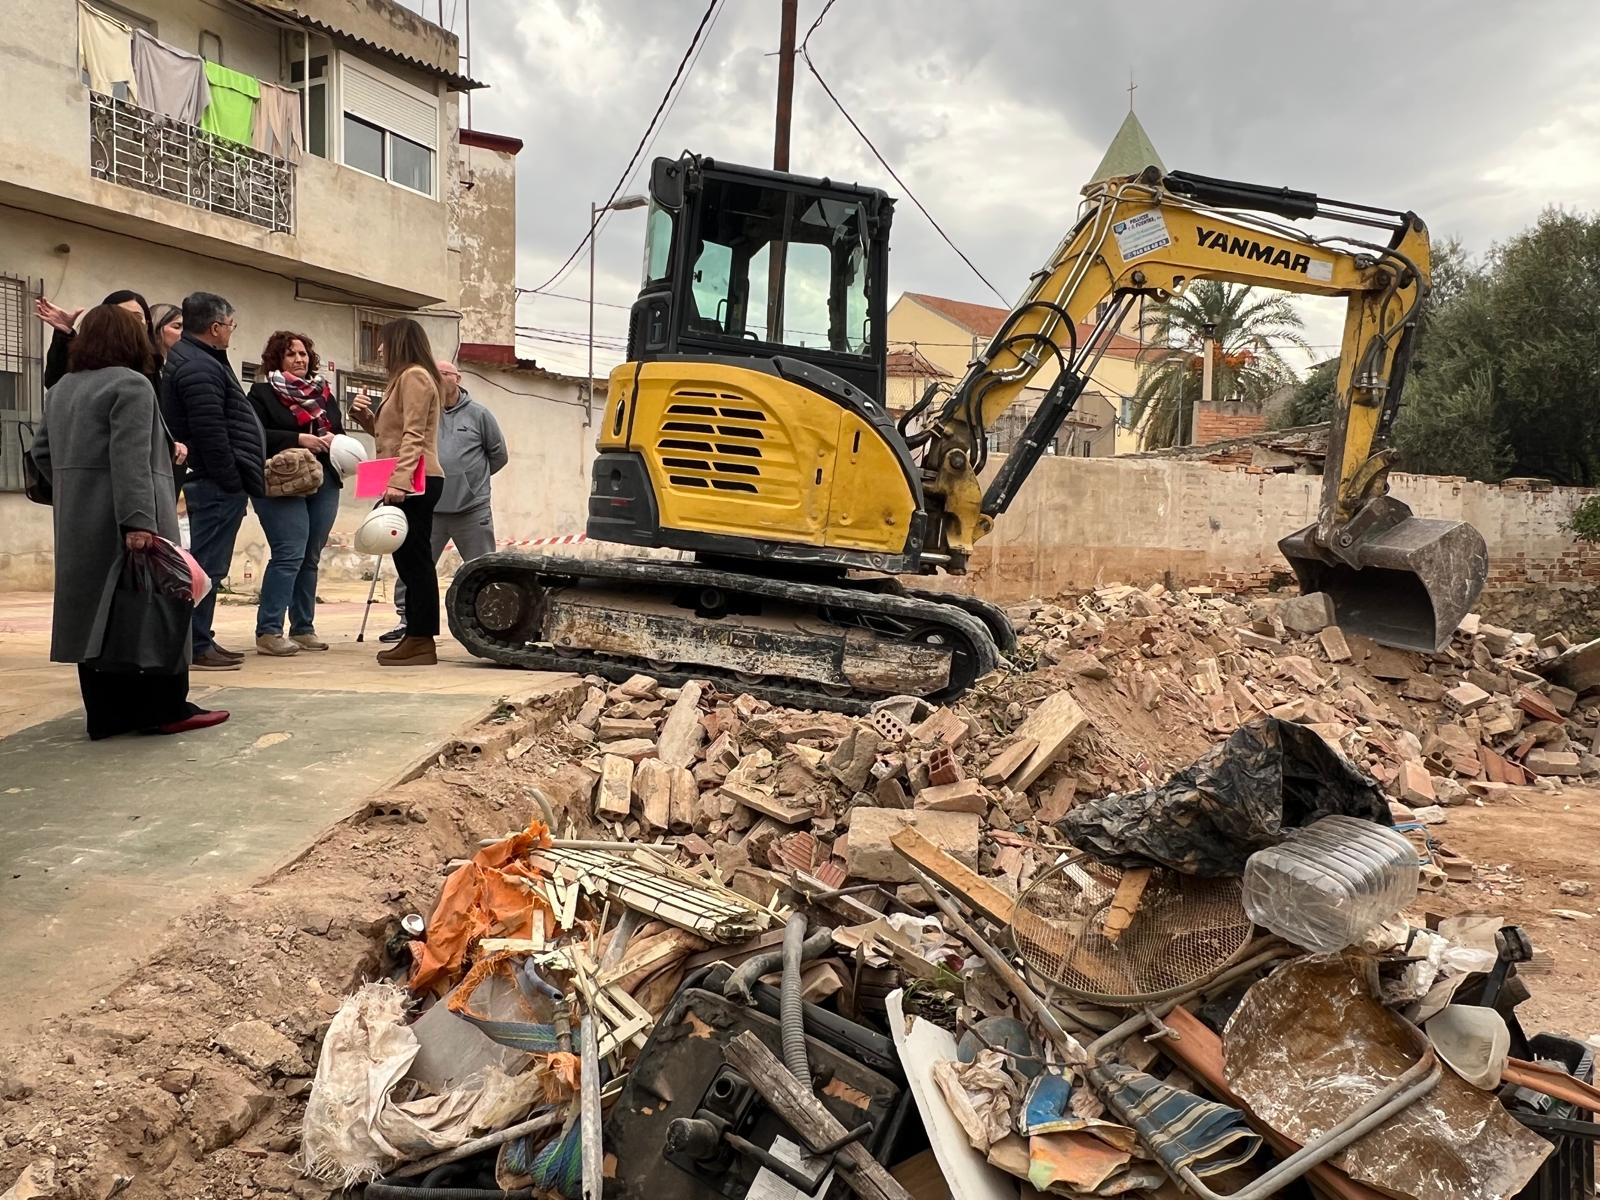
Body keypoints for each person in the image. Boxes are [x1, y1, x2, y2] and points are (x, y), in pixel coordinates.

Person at [29, 305, 228, 740]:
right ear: (131, 342)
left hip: (79, 523)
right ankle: (166, 709)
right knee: (154, 608)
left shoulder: (62, 389)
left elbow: (41, 454)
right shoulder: (132, 385)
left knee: (94, 619)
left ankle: (106, 716)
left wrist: (77, 490)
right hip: (133, 519)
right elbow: (132, 460)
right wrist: (139, 522)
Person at [162, 292, 265, 671]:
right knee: (205, 567)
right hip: (214, 483)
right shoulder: (198, 367)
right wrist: (231, 479)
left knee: (210, 566)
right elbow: (209, 431)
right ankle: (194, 643)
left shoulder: (200, 359)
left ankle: (202, 638)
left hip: (215, 481)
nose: (230, 333)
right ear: (216, 326)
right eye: (230, 326)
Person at [382, 358, 507, 643]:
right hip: (432, 507)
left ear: (457, 379)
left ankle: (493, 624)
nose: (436, 380)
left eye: (442, 374)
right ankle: (408, 621)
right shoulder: (424, 411)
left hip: (471, 510)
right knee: (414, 566)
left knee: (484, 569)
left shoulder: (479, 414)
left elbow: (498, 455)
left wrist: (473, 482)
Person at [350, 318, 444, 666]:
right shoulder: (402, 379)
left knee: (415, 561)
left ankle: (421, 639)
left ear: (399, 343)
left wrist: (399, 482)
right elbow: (394, 434)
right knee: (409, 560)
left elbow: (414, 436)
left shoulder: (414, 376)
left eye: (383, 341)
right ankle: (416, 636)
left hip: (415, 481)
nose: (378, 349)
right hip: (406, 479)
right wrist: (366, 420)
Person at [247, 331, 345, 655]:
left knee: (310, 556)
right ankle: (269, 631)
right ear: (277, 359)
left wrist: (334, 441)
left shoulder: (323, 393)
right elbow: (255, 434)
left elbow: (339, 432)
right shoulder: (261, 392)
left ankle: (303, 628)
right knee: (289, 551)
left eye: (303, 354)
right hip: (281, 481)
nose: (299, 359)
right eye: (291, 355)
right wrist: (299, 439)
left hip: (324, 478)